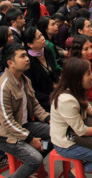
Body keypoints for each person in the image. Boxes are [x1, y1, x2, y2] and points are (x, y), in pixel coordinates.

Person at [50, 57, 92, 178]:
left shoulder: (76, 90)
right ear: (77, 79)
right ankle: (76, 172)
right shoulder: (66, 100)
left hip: (77, 135)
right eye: (88, 74)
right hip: (67, 144)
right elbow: (81, 131)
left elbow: (88, 108)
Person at [0, 43, 52, 178]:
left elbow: (35, 105)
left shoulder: (25, 80)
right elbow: (7, 121)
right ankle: (29, 165)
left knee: (56, 134)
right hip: (6, 135)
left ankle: (29, 166)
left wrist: (48, 118)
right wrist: (30, 139)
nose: (27, 58)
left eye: (26, 55)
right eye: (22, 56)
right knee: (35, 159)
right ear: (10, 63)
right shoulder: (4, 87)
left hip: (24, 126)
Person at [23, 27, 59, 112]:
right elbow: (32, 91)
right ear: (30, 44)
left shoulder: (46, 50)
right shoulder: (28, 62)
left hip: (55, 91)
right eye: (38, 38)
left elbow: (53, 72)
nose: (43, 38)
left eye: (41, 35)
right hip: (42, 99)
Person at [71, 35, 92, 108]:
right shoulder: (75, 68)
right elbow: (79, 97)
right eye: (86, 49)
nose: (91, 51)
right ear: (78, 52)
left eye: (91, 46)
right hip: (86, 105)